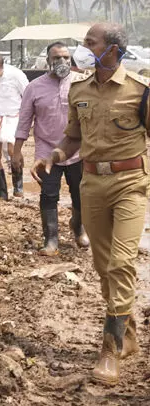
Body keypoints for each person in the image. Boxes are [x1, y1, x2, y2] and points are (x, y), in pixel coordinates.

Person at [33, 23, 148, 385]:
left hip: (130, 183)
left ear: (112, 49)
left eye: (89, 43)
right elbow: (72, 137)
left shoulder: (140, 91)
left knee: (122, 261)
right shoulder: (79, 90)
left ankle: (110, 348)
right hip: (92, 184)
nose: (82, 48)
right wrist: (53, 155)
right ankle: (126, 331)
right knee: (103, 266)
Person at [14, 42, 89, 256]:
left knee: (80, 194)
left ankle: (78, 226)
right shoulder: (34, 87)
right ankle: (51, 239)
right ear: (48, 61)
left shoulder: (81, 83)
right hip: (46, 152)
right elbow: (25, 121)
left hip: (78, 151)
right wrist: (17, 151)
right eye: (56, 58)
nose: (62, 62)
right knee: (48, 195)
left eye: (66, 57)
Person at [0, 54, 29, 200]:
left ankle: (18, 187)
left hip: (13, 116)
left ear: (3, 68)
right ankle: (2, 193)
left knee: (12, 151)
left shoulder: (15, 74)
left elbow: (27, 95)